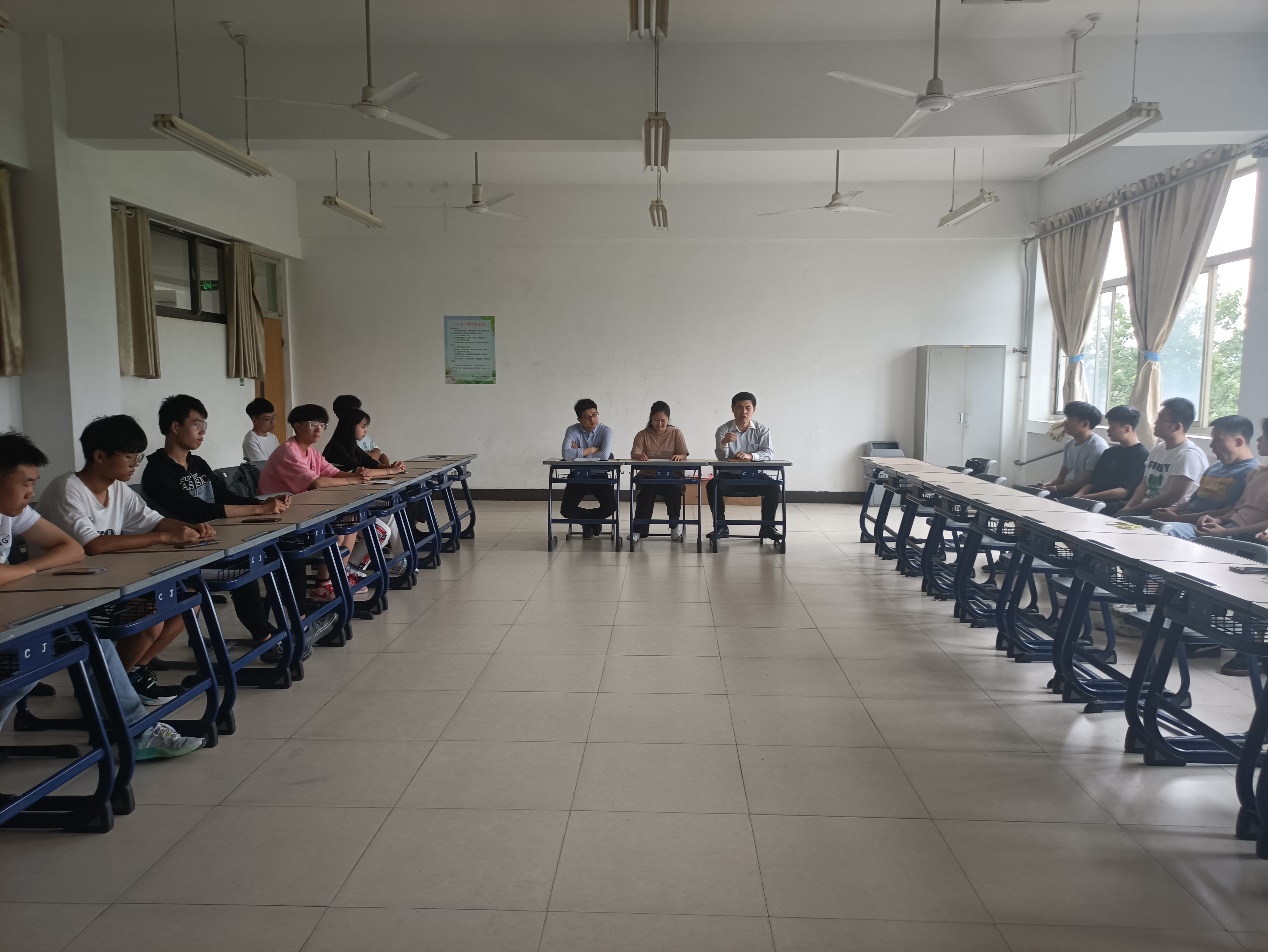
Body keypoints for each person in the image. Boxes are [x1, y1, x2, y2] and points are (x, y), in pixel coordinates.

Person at [0, 431, 203, 759]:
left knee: (88, 636)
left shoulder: (14, 512)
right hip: (17, 619)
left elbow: (72, 549)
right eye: (25, 483)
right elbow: (91, 546)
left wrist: (22, 570)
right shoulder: (65, 490)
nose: (31, 493)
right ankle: (134, 727)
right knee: (37, 663)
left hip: (22, 612)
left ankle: (136, 729)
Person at [40, 415, 213, 705]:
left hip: (108, 585)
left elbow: (153, 521)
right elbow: (94, 545)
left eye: (138, 457)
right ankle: (105, 691)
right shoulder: (67, 489)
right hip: (66, 595)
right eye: (129, 457)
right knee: (150, 617)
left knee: (189, 602)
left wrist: (190, 527)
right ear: (99, 456)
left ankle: (131, 674)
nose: (135, 464)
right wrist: (164, 538)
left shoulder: (117, 488)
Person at [142, 395, 297, 660]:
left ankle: (294, 618)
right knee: (244, 566)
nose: (202, 431)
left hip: (215, 541)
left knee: (275, 551)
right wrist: (258, 510)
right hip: (184, 554)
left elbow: (224, 497)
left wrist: (264, 503)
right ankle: (266, 637)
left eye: (204, 424)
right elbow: (196, 511)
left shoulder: (198, 464)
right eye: (197, 424)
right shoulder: (157, 472)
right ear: (175, 426)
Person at [258, 404, 371, 601]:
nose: (319, 429)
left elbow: (333, 472)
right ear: (297, 426)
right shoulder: (289, 451)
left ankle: (335, 577)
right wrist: (352, 480)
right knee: (336, 532)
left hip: (301, 508)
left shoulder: (310, 451)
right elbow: (316, 482)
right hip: (278, 514)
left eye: (322, 425)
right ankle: (322, 584)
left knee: (349, 523)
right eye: (313, 424)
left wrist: (356, 475)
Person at [1153, 415, 1260, 530]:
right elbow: (1193, 502)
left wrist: (1176, 519)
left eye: (1218, 440)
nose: (1211, 445)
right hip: (1181, 520)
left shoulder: (1251, 472)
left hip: (1203, 527)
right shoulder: (1214, 467)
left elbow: (1228, 511)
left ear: (1238, 442)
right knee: (1142, 524)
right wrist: (1172, 510)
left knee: (1160, 531)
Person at [708, 391, 781, 544]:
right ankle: (721, 527)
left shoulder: (762, 429)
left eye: (748, 408)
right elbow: (721, 458)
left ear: (754, 409)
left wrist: (751, 456)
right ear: (732, 409)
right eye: (739, 407)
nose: (744, 411)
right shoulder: (723, 430)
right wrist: (724, 443)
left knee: (774, 487)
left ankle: (767, 527)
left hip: (754, 476)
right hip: (729, 476)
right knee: (712, 486)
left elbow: (768, 453)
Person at [1117, 397, 1209, 518]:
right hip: (1144, 508)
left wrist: (1131, 511)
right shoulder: (1158, 448)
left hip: (1166, 514)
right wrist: (1128, 507)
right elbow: (1144, 484)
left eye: (1160, 419)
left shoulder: (1188, 455)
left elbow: (1171, 497)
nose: (1155, 423)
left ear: (1176, 427)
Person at [630, 401, 690, 543]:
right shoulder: (643, 434)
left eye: (663, 420)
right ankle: (639, 529)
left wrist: (679, 456)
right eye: (656, 420)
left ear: (668, 419)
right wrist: (639, 456)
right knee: (646, 492)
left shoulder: (676, 433)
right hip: (649, 475)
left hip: (671, 476)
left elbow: (684, 454)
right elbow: (634, 453)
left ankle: (674, 526)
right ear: (651, 419)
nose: (660, 424)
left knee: (673, 491)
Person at [1074, 405, 1149, 515]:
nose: (1108, 430)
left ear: (1127, 429)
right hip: (1092, 498)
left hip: (1114, 504)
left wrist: (1086, 498)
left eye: (1112, 427)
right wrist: (1078, 495)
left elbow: (1123, 491)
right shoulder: (1109, 452)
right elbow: (1092, 483)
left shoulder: (1141, 455)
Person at [560, 398, 617, 539]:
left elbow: (605, 455)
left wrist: (579, 453)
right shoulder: (572, 430)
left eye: (594, 414)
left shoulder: (606, 431)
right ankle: (592, 522)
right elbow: (566, 454)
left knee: (611, 507)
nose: (592, 419)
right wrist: (592, 449)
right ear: (579, 419)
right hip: (578, 475)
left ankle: (588, 522)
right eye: (587, 417)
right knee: (566, 510)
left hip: (599, 475)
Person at [1037, 401, 1106, 497]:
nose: (1065, 423)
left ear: (1084, 424)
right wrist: (1046, 485)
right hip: (1065, 490)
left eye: (1070, 420)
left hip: (1080, 494)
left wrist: (1054, 488)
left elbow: (1083, 482)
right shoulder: (1069, 444)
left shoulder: (1097, 447)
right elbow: (1061, 477)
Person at [333, 394, 391, 467]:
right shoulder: (339, 446)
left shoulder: (360, 437)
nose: (358, 413)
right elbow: (362, 468)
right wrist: (376, 453)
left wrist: (390, 468)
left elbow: (372, 461)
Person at [242, 397, 280, 464]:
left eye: (273, 417)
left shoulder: (272, 437)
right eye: (267, 419)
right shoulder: (251, 440)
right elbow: (262, 466)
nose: (272, 422)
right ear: (255, 420)